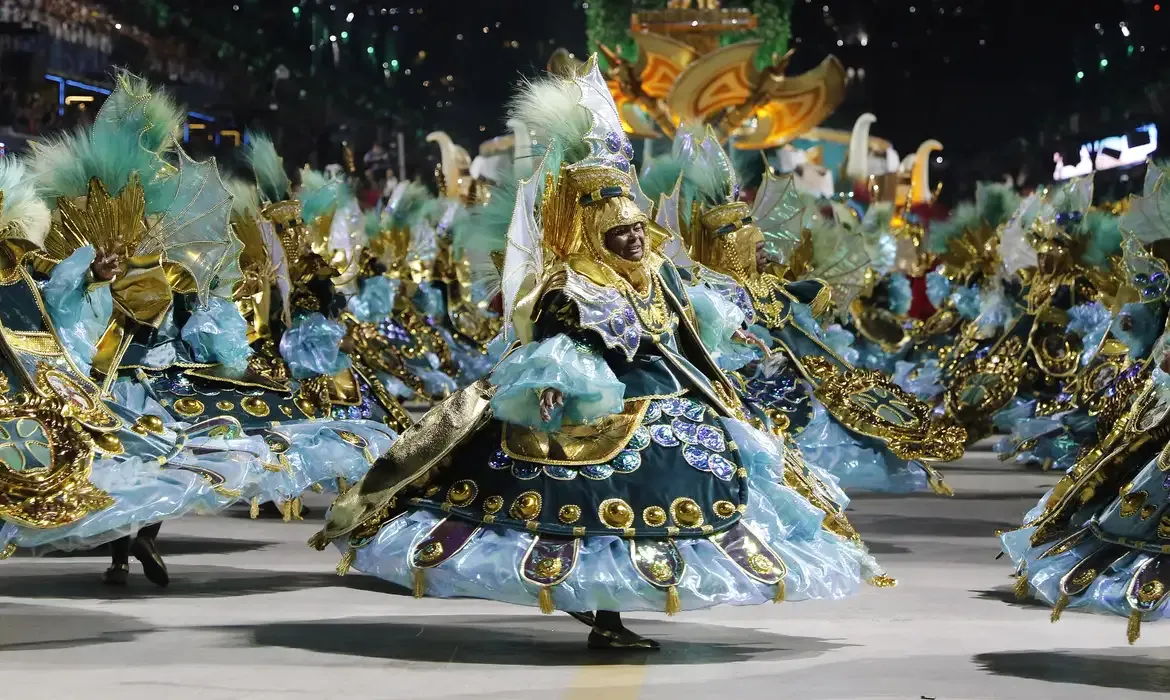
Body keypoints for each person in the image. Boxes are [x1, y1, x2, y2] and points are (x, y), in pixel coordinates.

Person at [310, 56, 888, 650]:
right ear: (594, 233)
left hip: (678, 397)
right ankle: (606, 618)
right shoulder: (571, 285)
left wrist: (732, 334)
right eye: (621, 233)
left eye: (637, 228)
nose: (635, 239)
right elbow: (558, 348)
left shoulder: (657, 271)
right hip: (600, 406)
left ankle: (613, 612)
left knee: (713, 480)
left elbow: (687, 323)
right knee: (595, 510)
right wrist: (554, 387)